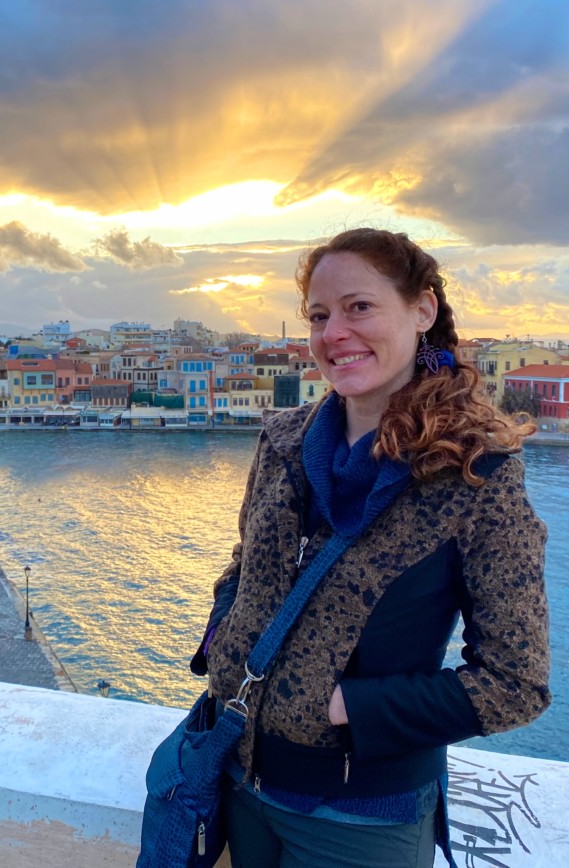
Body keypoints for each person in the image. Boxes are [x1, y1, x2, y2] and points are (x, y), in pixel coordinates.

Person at [191, 228, 550, 868]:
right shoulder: (281, 443)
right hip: (239, 780)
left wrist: (343, 707)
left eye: (359, 307)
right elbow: (244, 568)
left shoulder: (476, 475)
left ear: (423, 310)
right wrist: (226, 643)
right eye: (320, 316)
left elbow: (516, 682)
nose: (334, 334)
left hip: (361, 818)